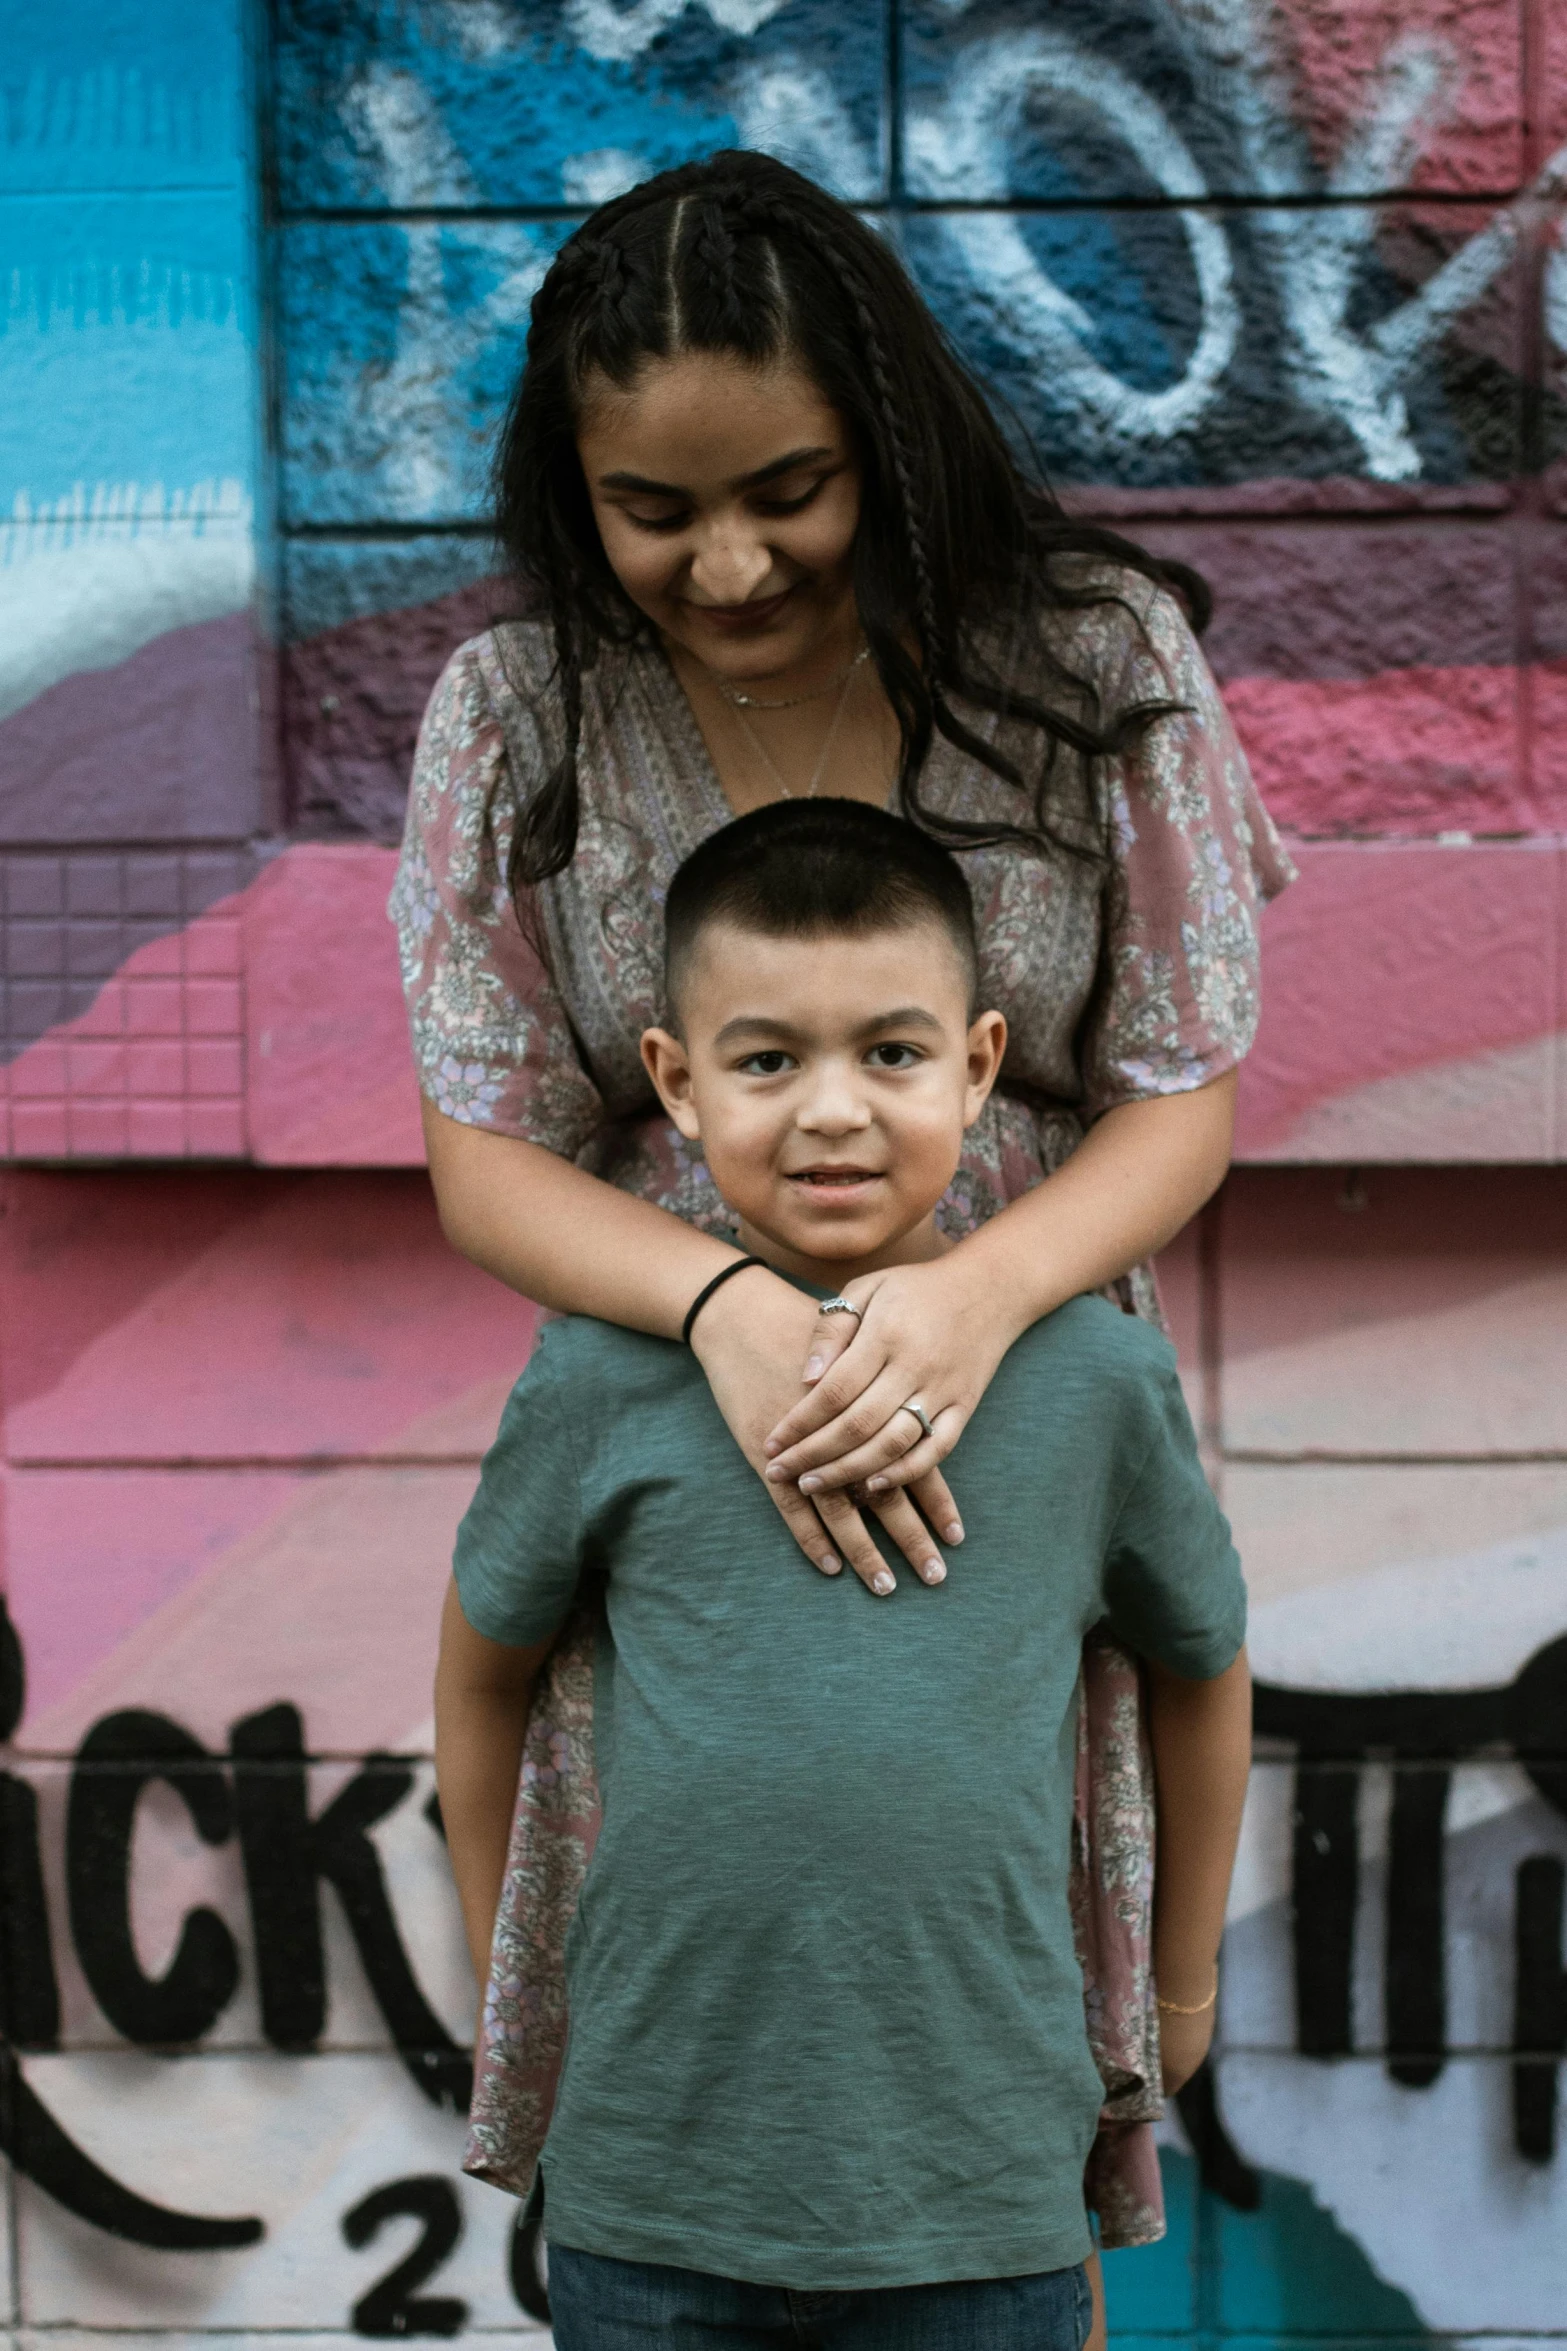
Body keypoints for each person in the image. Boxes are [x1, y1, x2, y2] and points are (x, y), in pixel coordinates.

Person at [393, 147, 1291, 2258]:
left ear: (885, 435)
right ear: (571, 491)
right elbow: (485, 1150)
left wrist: (969, 1303)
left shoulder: (1092, 656)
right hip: (681, 1459)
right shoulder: (516, 716)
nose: (724, 565)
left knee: (993, 2101)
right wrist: (728, 1312)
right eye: (654, 510)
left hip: (1014, 1440)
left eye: (784, 488)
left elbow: (1178, 1093)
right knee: (695, 2071)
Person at [435, 801, 1254, 2351]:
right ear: (673, 1082)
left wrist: (1184, 1984)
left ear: (980, 1061)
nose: (831, 1112)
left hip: (981, 2199)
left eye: (891, 1052)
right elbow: (479, 1675)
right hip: (649, 2196)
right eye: (765, 1061)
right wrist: (517, 1976)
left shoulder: (1090, 1379)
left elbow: (1201, 1670)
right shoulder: (599, 1373)